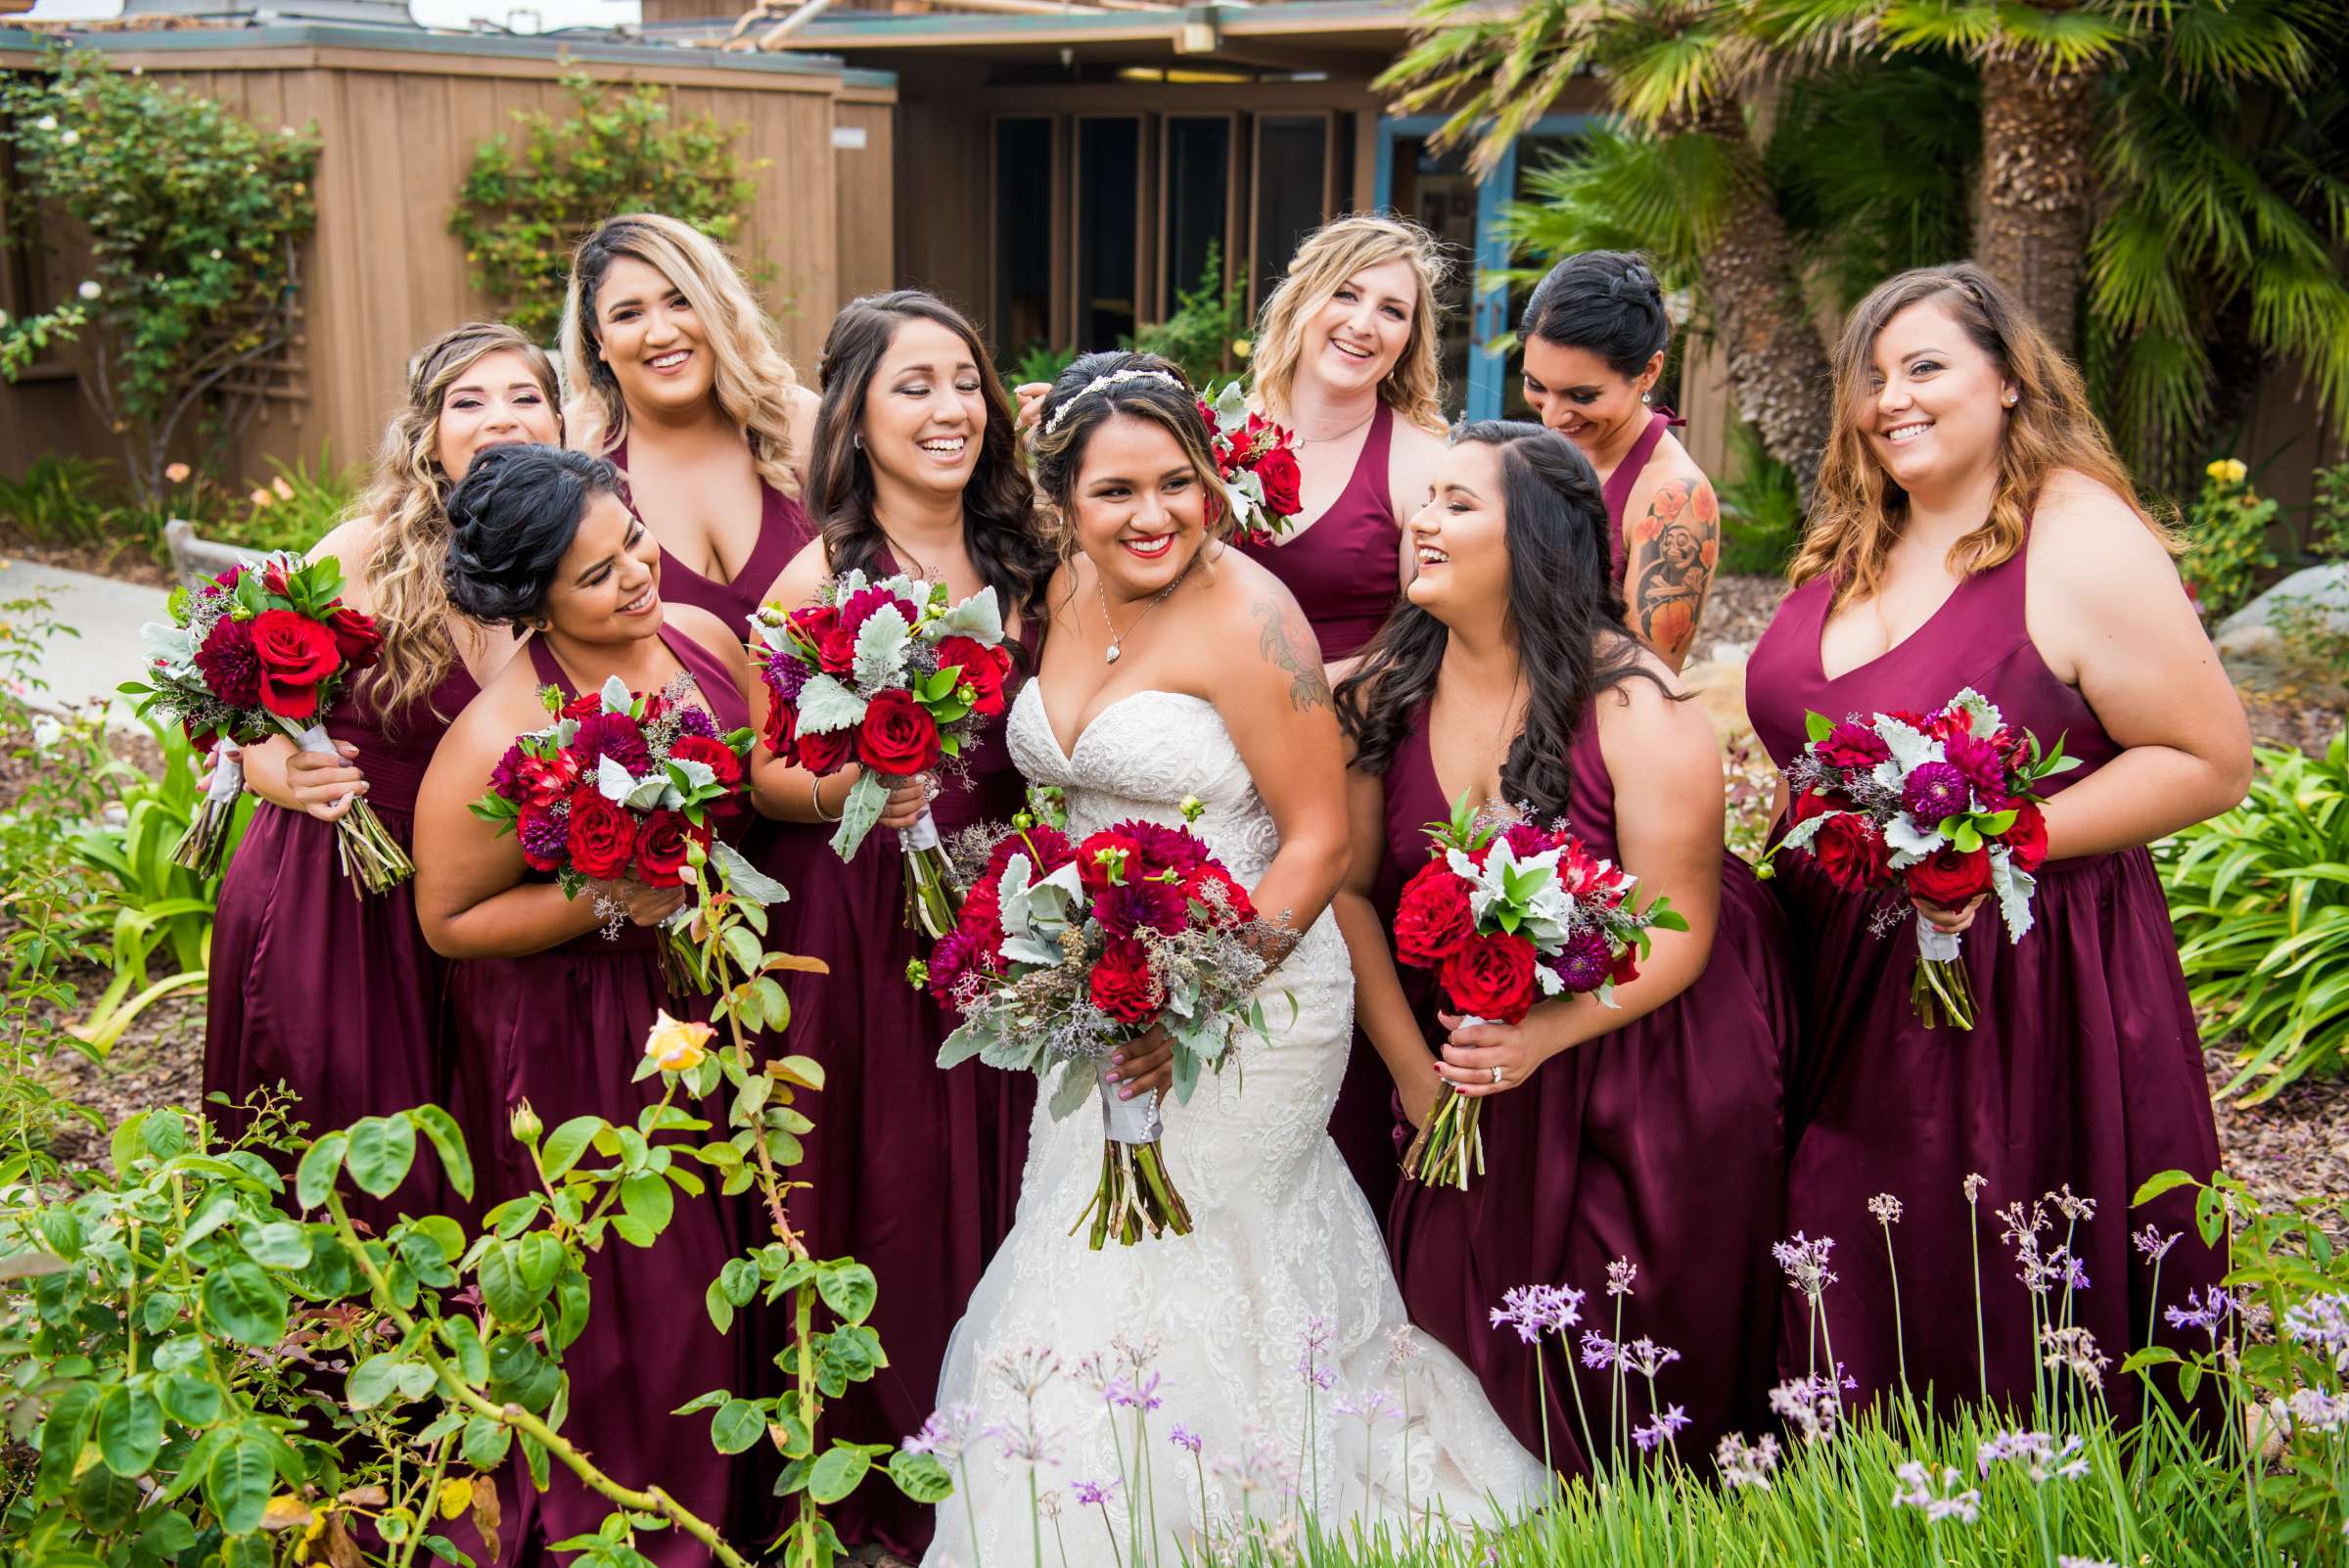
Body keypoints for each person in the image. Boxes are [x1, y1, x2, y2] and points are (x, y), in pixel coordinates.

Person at [923, 352, 1541, 1565]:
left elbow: (1317, 843)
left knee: (1206, 1255)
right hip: (1097, 992)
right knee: (1082, 1240)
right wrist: (1067, 964)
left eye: (1177, 484)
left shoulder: (1254, 614)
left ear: (1213, 484)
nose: (1152, 516)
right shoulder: (1060, 593)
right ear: (1065, 503)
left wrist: (1187, 993)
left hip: (1253, 990)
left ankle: (1262, 1523)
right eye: (1114, 493)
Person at [1743, 261, 2247, 1425]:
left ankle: (1990, 1499)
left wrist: (1992, 839)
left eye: (1925, 367)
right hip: (1822, 949)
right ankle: (1829, 1492)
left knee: (1938, 1225)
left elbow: (2210, 761)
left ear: (2011, 381)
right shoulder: (1857, 532)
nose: (1892, 399)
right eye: (1871, 377)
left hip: (2003, 970)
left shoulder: (2078, 539)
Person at [1334, 420, 1790, 1475]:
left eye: (1457, 503)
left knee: (1616, 1340)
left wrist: (1543, 1037)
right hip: (1451, 1050)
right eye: (1426, 498)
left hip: (1631, 1046)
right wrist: (1415, 1075)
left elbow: (1683, 929)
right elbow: (1352, 894)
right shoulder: (1385, 692)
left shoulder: (1638, 705)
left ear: (1534, 542)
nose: (1421, 519)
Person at [412, 443, 789, 1566]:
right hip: (581, 1027)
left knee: (735, 1247)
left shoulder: (707, 643)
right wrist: (609, 897)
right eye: (596, 573)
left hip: (715, 994)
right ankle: (626, 1529)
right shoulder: (500, 736)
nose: (636, 573)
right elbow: (448, 921)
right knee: (637, 1285)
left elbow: (757, 780)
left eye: (633, 538)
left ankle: (741, 1507)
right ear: (535, 602)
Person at [752, 291, 1053, 1558]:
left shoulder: (1036, 551)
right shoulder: (824, 572)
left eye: (964, 382)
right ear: (857, 414)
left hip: (1015, 898)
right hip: (867, 900)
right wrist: (861, 783)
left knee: (1011, 1164)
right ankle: (886, 1468)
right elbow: (760, 772)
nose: (948, 410)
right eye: (913, 385)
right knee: (886, 1172)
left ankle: (1012, 1444)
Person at [205, 322, 557, 1229]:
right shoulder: (362, 551)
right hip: (339, 892)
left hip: (486, 901)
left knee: (471, 1155)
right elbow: (241, 707)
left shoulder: (578, 560)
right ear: (428, 433)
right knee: (352, 1155)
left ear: (561, 421)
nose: (499, 420)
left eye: (525, 397)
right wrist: (281, 772)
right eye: (466, 402)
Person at [560, 211, 819, 629]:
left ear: (717, 306)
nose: (661, 333)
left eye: (681, 301)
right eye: (629, 314)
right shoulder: (571, 448)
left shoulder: (796, 420)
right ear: (597, 338)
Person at [1519, 251, 1719, 669]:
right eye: (1536, 385)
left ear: (1648, 372)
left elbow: (1649, 676)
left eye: (1582, 396)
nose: (1552, 417)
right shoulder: (1528, 453)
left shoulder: (1675, 497)